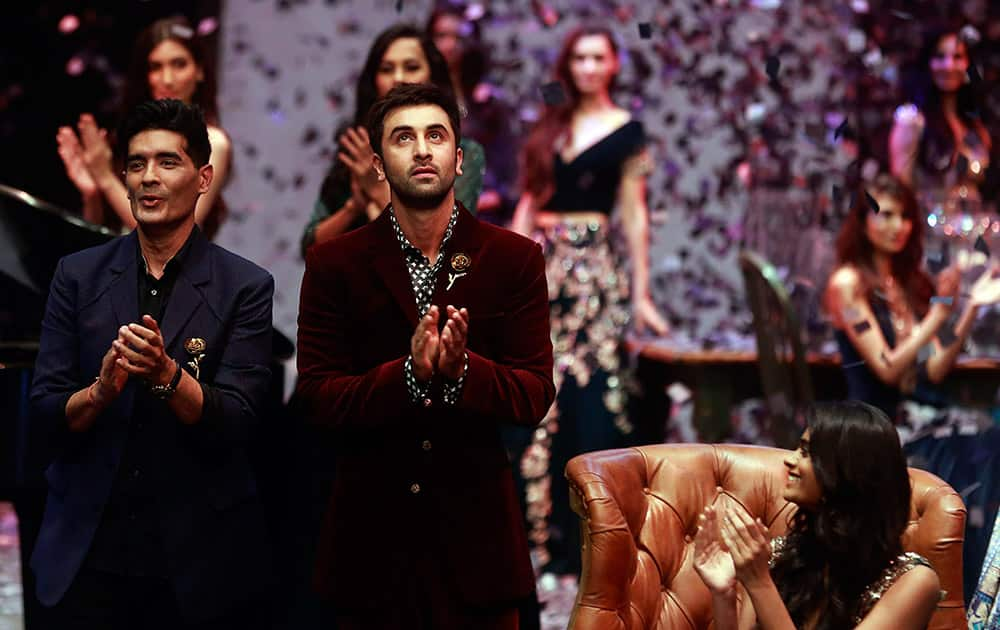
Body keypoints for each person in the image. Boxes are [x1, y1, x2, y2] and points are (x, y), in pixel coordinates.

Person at [295, 83, 554, 629]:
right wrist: (408, 376)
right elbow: (317, 399)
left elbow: (533, 395)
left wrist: (463, 373)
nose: (421, 150)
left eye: (435, 136)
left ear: (458, 160)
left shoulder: (515, 259)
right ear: (376, 163)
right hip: (368, 553)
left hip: (479, 555)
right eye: (403, 138)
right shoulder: (334, 264)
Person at [30, 99, 274, 629]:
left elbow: (239, 424)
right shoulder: (77, 276)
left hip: (197, 563)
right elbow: (45, 411)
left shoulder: (245, 287)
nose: (148, 178)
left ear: (203, 177)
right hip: (88, 556)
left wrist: (168, 377)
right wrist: (99, 391)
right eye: (137, 165)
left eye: (168, 162)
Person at [510, 25, 668, 576]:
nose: (587, 67)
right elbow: (530, 201)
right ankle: (534, 540)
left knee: (593, 396)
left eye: (598, 57)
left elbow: (634, 213)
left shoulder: (627, 131)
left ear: (615, 63)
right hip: (543, 267)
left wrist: (642, 294)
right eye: (579, 57)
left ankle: (589, 540)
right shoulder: (552, 126)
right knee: (535, 390)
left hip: (593, 273)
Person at [693, 401, 941, 629]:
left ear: (847, 472)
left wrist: (759, 583)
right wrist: (724, 595)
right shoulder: (781, 557)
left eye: (806, 452)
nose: (789, 460)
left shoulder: (912, 582)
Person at [823, 174, 1000, 435]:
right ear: (863, 221)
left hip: (916, 417)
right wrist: (938, 314)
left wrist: (970, 307)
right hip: (874, 429)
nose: (898, 226)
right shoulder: (847, 285)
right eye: (886, 215)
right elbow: (888, 369)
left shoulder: (906, 283)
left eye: (905, 216)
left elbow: (934, 366)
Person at [301, 24, 485, 256]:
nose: (398, 78)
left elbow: (441, 252)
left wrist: (379, 191)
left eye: (411, 67)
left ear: (432, 75)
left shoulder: (462, 153)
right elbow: (310, 248)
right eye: (387, 69)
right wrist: (354, 206)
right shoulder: (358, 147)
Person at [57, 16, 231, 239]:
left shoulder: (213, 142)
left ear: (199, 71)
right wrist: (93, 194)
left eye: (179, 64)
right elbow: (101, 236)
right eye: (156, 67)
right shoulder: (132, 137)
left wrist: (106, 179)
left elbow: (173, 236)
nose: (167, 79)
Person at [427, 6, 520, 223]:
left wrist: (495, 196)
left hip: (482, 211)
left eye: (459, 37)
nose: (450, 45)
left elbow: (507, 166)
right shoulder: (418, 98)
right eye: (441, 36)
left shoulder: (487, 102)